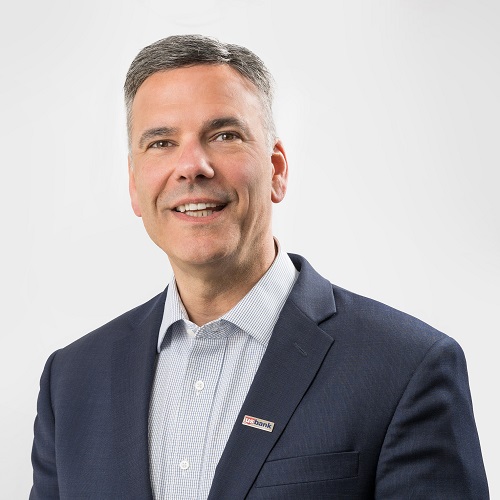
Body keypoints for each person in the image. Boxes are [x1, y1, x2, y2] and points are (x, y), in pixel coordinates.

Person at [30, 34, 489, 499]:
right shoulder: (70, 382)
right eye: (161, 142)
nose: (192, 166)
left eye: (224, 135)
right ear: (134, 185)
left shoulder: (406, 367)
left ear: (277, 169)